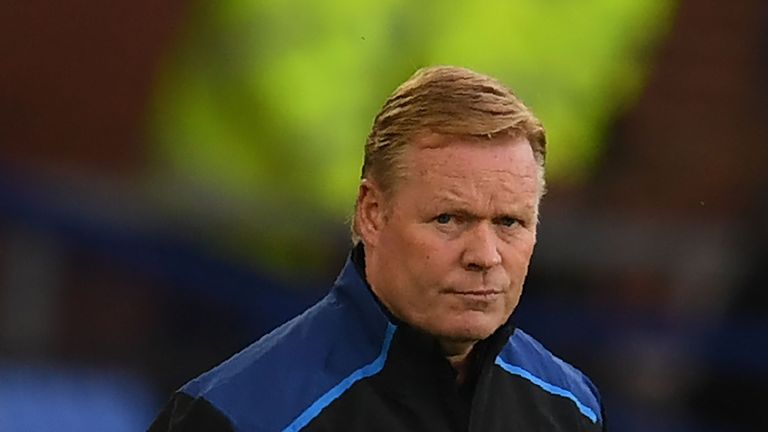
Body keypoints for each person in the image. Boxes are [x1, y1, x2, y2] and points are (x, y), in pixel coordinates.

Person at [148, 66, 607, 431]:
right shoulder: (238, 417)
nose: (484, 256)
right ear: (371, 213)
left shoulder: (571, 409)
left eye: (510, 222)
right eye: (449, 219)